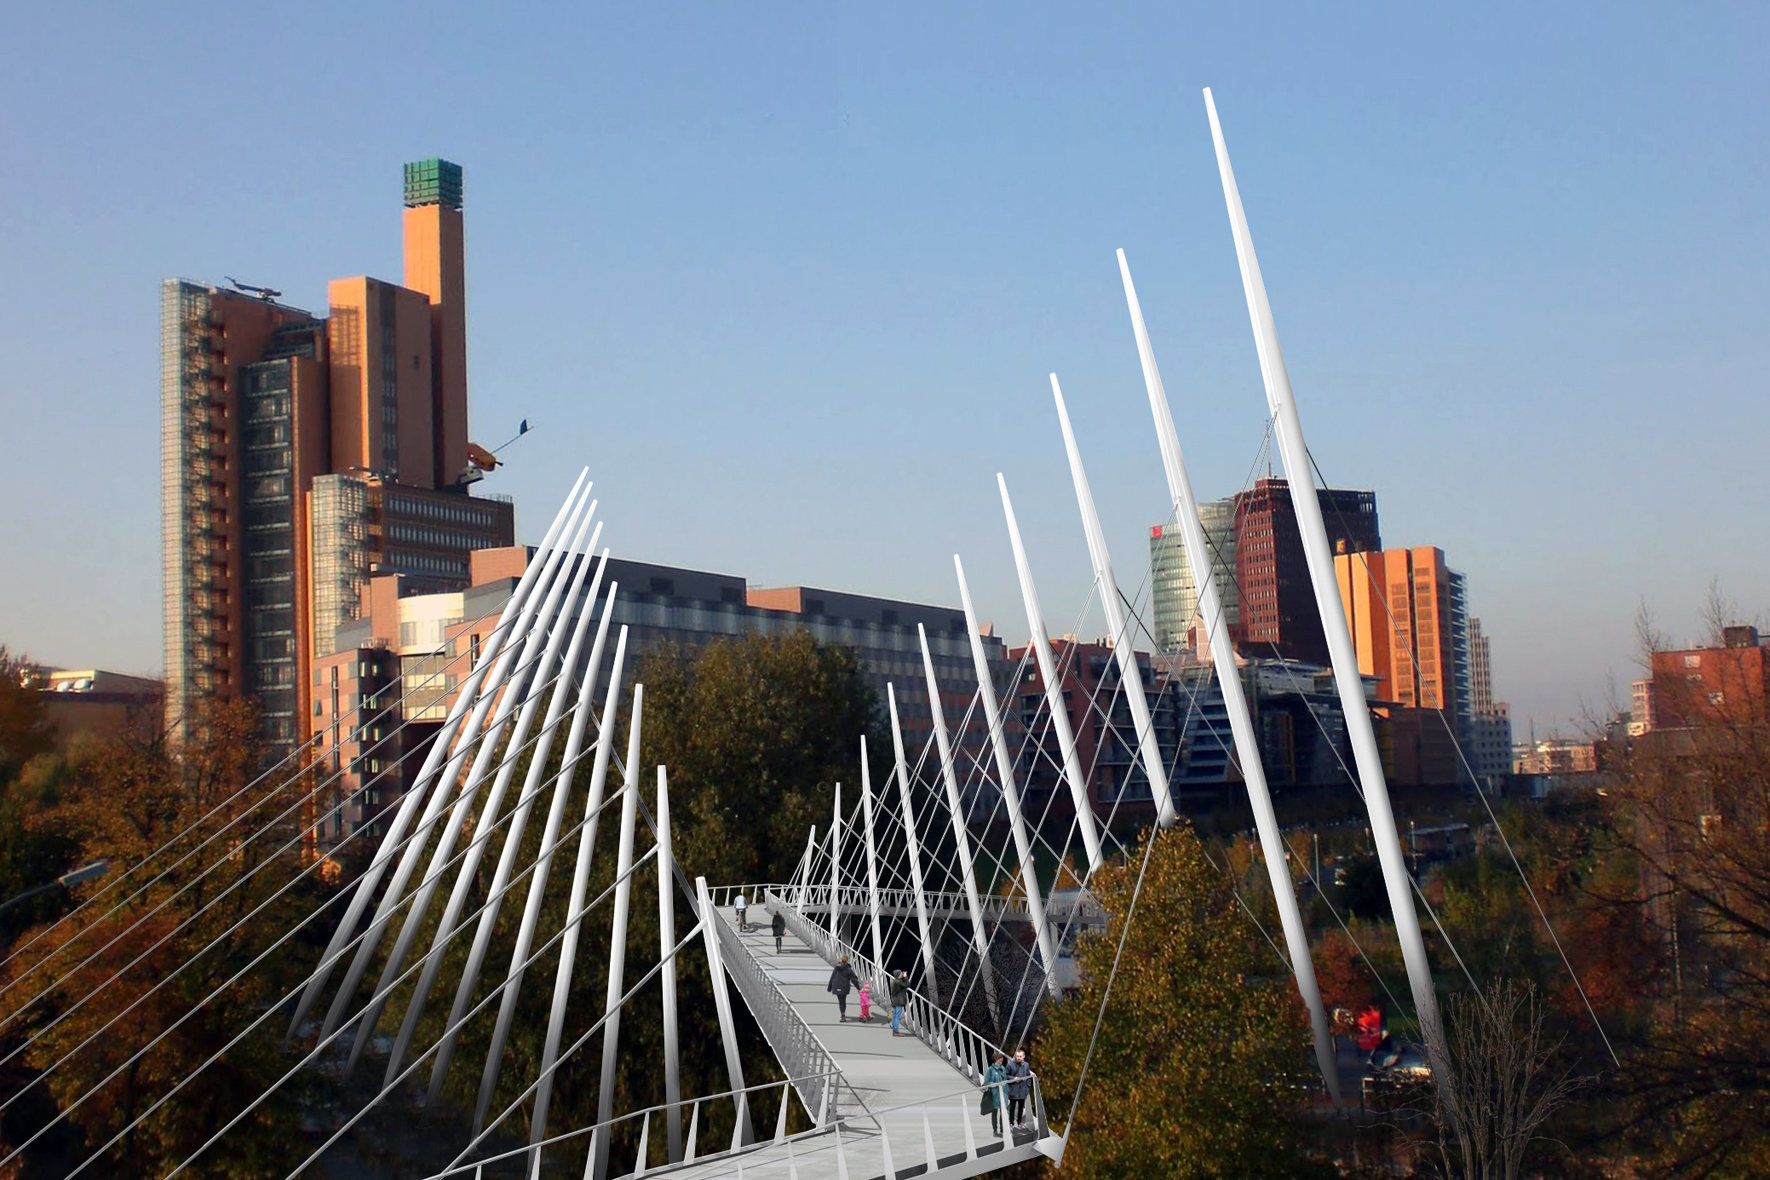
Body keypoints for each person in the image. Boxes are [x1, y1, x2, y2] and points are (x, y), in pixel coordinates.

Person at [827, 955, 862, 1022]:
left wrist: (829, 987)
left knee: (840, 1001)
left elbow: (832, 977)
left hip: (836, 986)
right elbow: (854, 979)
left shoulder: (836, 968)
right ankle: (843, 1015)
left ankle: (843, 1016)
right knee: (843, 1000)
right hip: (844, 987)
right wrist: (858, 988)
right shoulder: (848, 969)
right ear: (847, 961)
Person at [1005, 1048, 1032, 1130]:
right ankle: (1011, 1123)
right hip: (1013, 1089)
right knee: (1012, 1108)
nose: (1018, 1058)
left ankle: (1020, 1122)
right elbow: (1006, 1075)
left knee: (1021, 1108)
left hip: (1023, 1090)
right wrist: (1014, 1079)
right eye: (1017, 1056)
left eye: (1020, 1056)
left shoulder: (1026, 1065)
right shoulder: (1010, 1065)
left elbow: (1028, 1076)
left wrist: (1027, 1086)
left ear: (1023, 1056)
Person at [982, 1051, 1009, 1136]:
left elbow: (1005, 1080)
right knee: (995, 1113)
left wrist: (1007, 1092)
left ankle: (1002, 1130)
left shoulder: (1003, 1068)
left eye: (1002, 1057)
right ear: (995, 1059)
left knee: (1003, 1112)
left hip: (1003, 1094)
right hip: (994, 1095)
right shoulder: (990, 1070)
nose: (1002, 1059)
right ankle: (995, 1130)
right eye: (999, 1058)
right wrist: (995, 1084)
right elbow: (986, 1082)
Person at [888, 969, 910, 1036]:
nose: (902, 974)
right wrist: (905, 977)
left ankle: (894, 1030)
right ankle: (896, 1031)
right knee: (897, 1016)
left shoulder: (894, 981)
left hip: (895, 1001)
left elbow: (899, 989)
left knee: (894, 1016)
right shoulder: (898, 982)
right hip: (899, 1001)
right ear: (898, 975)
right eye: (901, 973)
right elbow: (908, 984)